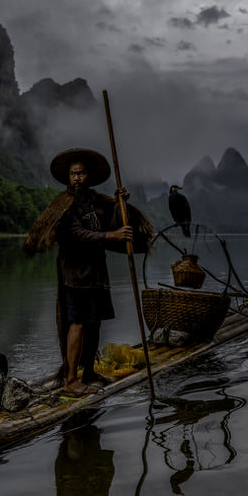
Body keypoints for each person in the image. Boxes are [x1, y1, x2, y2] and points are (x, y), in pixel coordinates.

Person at [23, 147, 153, 397]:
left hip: (96, 274)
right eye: (73, 174)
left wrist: (120, 205)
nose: (77, 178)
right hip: (75, 274)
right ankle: (71, 379)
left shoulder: (97, 202)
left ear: (89, 177)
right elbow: (76, 234)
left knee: (94, 324)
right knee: (78, 324)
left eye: (81, 173)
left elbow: (116, 224)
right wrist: (111, 235)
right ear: (67, 177)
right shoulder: (65, 205)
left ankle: (89, 372)